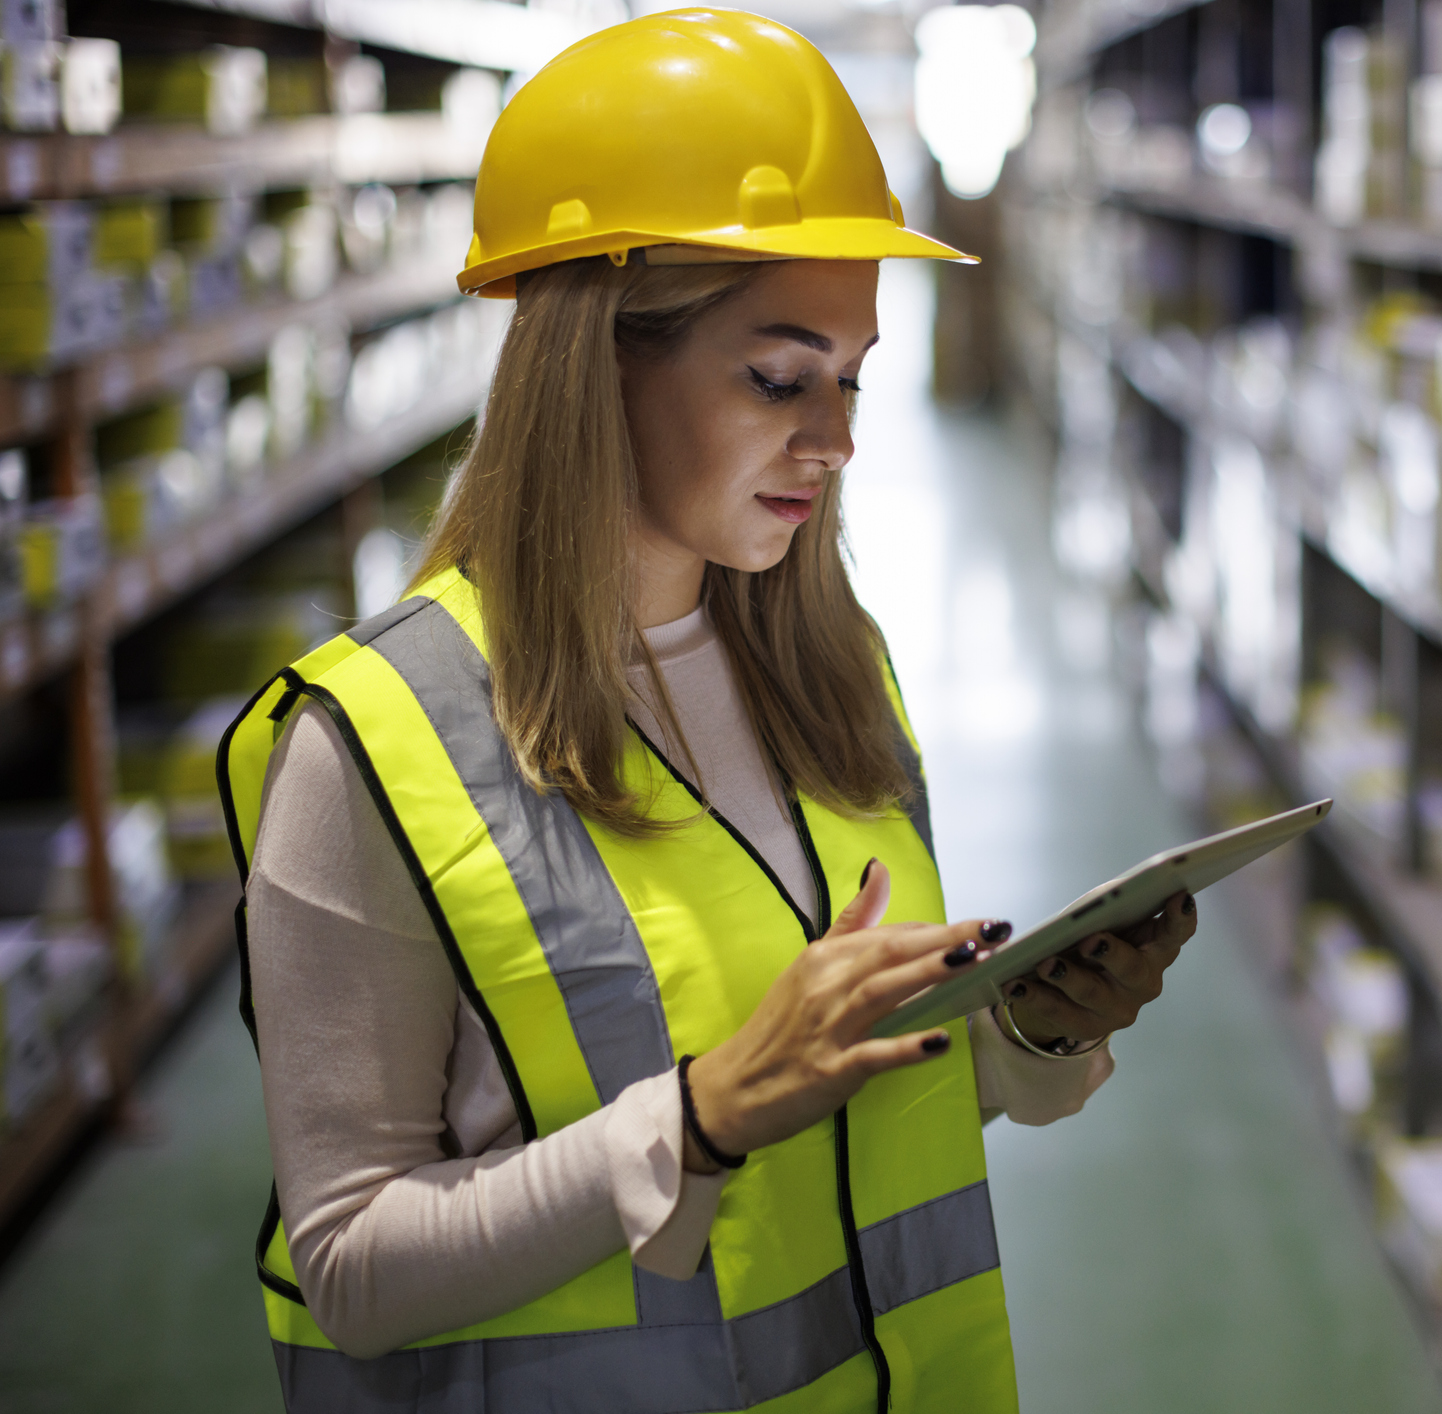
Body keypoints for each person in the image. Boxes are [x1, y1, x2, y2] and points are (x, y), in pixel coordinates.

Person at [216, 12, 1197, 1411]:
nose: (838, 439)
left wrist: (1023, 1030)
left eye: (852, 378)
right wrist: (702, 1116)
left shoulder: (830, 669)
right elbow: (353, 1266)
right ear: (593, 360)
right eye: (779, 376)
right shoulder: (371, 745)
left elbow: (862, 1092)